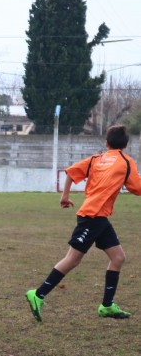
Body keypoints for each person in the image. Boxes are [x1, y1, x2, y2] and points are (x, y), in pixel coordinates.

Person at [26, 124, 141, 322]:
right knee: (73, 259)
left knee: (118, 257)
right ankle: (38, 294)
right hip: (92, 217)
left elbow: (71, 172)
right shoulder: (126, 162)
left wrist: (65, 196)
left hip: (98, 217)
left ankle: (106, 306)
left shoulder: (96, 159)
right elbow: (137, 188)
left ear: (106, 143)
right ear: (126, 144)